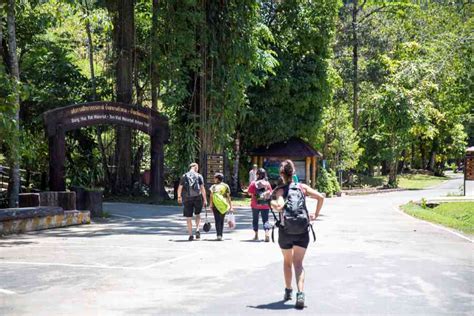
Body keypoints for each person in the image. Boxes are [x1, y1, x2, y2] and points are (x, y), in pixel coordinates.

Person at [271, 159, 324, 309]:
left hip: (286, 231)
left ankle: (288, 291)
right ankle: (300, 294)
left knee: (287, 262)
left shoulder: (280, 191)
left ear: (282, 174)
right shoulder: (302, 187)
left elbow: (279, 206)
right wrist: (316, 214)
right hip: (302, 230)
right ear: (293, 173)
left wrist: (272, 201)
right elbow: (321, 197)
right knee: (299, 264)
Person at [177, 163, 207, 241]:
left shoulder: (184, 176)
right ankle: (197, 230)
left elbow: (180, 188)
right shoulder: (199, 176)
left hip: (187, 198)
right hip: (197, 197)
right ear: (195, 167)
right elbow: (202, 188)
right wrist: (205, 200)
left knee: (188, 217)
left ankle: (190, 235)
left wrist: (179, 197)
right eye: (197, 167)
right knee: (197, 214)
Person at [247, 168, 272, 242]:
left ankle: (256, 235)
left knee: (255, 219)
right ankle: (267, 233)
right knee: (266, 220)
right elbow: (270, 192)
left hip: (255, 204)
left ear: (257, 174)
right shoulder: (267, 183)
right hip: (265, 204)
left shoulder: (253, 183)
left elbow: (249, 193)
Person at [209, 173, 233, 241]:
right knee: (221, 220)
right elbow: (228, 197)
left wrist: (211, 205)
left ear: (217, 179)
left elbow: (211, 196)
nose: (214, 179)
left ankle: (218, 235)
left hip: (215, 205)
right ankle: (221, 235)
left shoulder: (213, 186)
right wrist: (231, 206)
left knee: (217, 220)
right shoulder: (226, 186)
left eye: (214, 178)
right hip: (224, 205)